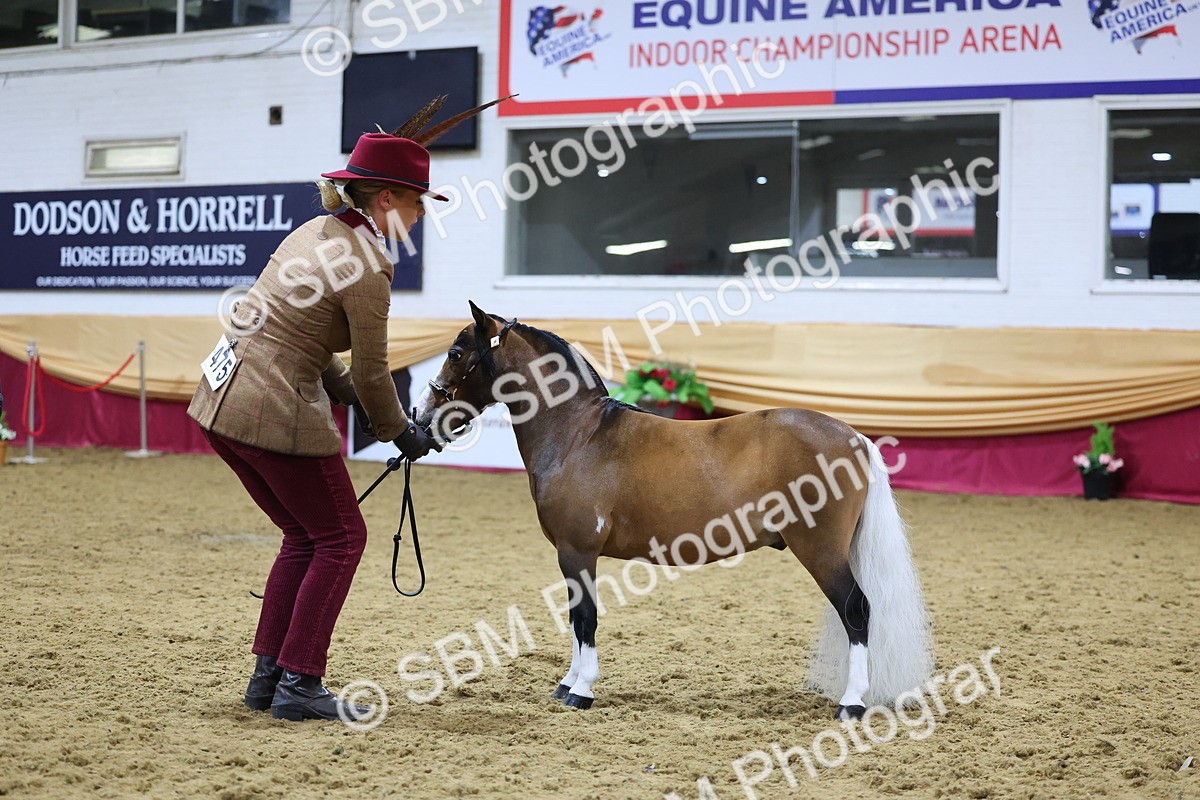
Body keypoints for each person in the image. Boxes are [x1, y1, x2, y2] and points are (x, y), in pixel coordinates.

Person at [188, 95, 505, 722]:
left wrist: (361, 402)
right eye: (417, 202)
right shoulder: (368, 265)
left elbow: (295, 336)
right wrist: (400, 432)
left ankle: (269, 678)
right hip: (273, 409)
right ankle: (300, 684)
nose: (421, 214)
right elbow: (369, 370)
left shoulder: (313, 233)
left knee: (304, 536)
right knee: (340, 538)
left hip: (222, 403)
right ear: (386, 198)